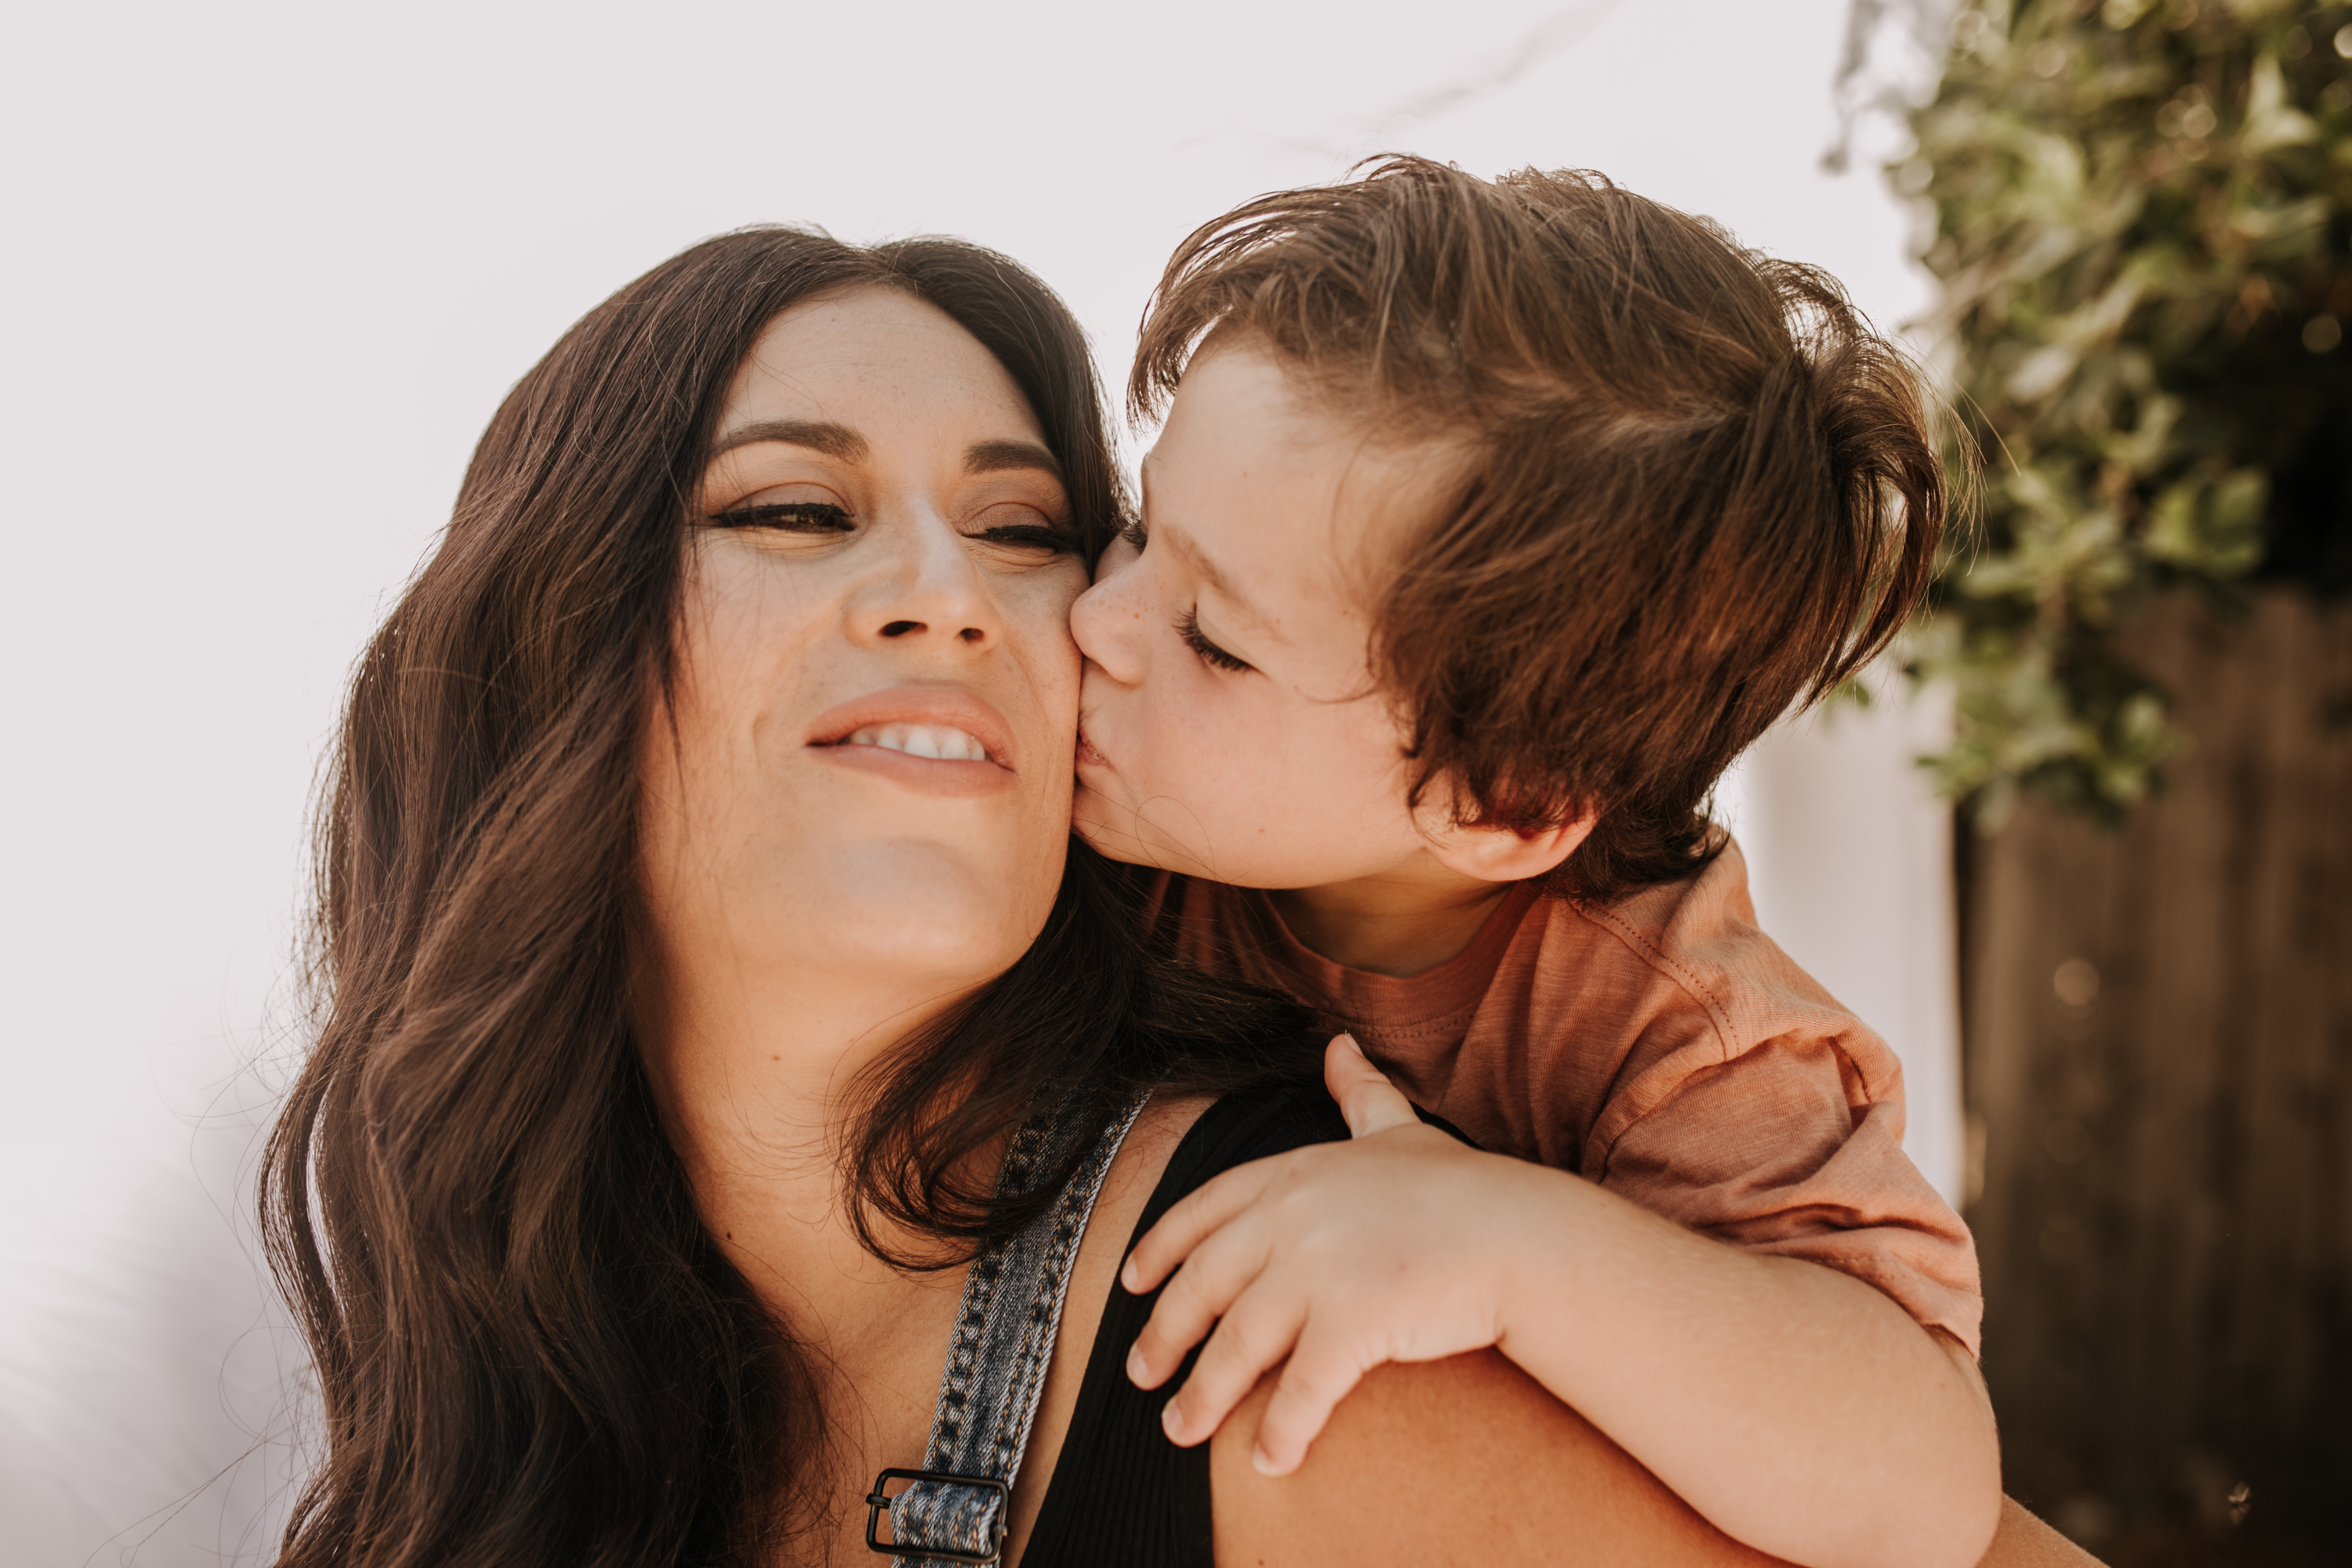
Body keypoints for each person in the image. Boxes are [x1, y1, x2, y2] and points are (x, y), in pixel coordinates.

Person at [259, 223, 1840, 1568]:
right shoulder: (495, 1358)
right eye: (799, 510)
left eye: (1022, 531)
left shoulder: (1302, 1348)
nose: (962, 598)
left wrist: (1521, 1248)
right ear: (549, 648)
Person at [1071, 157, 2001, 1568]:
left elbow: (1923, 1487)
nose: (1097, 622)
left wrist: (1508, 1244)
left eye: (1212, 638)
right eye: (1140, 529)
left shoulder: (1677, 1035)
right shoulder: (1128, 814)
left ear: (1501, 803)